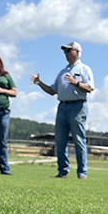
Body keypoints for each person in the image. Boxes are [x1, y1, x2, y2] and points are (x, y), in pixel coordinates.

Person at [31, 41, 94, 179]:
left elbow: (89, 88)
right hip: (62, 106)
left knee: (79, 140)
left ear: (77, 52)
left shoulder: (84, 69)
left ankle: (82, 173)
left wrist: (76, 83)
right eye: (65, 51)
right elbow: (53, 91)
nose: (66, 53)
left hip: (77, 106)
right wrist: (40, 83)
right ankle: (63, 171)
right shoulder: (63, 72)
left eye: (69, 50)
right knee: (60, 140)